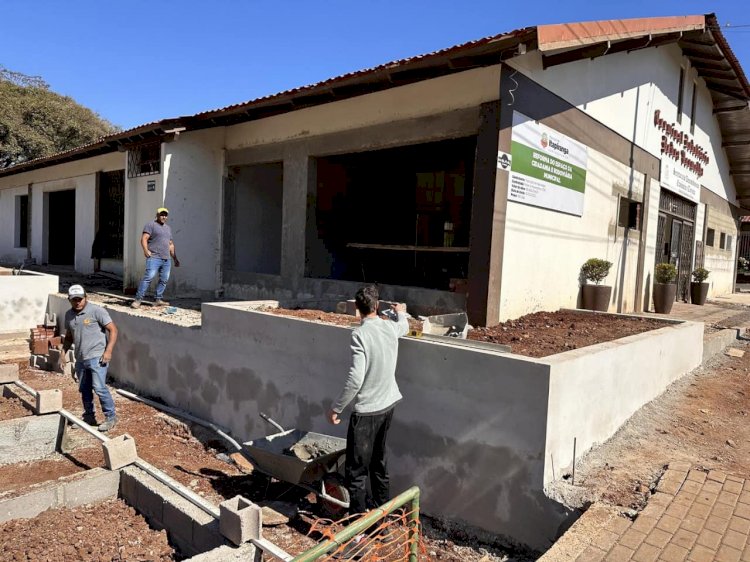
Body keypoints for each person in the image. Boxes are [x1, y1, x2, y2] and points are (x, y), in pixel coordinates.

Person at [327, 285, 408, 515]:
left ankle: (358, 530)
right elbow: (404, 325)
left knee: (356, 472)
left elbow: (355, 379)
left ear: (357, 310)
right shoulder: (390, 327)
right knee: (379, 464)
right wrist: (401, 311)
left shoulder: (359, 335)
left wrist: (337, 407)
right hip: (387, 406)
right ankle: (384, 520)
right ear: (377, 305)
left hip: (366, 414)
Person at [60, 285, 119, 432]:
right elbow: (69, 337)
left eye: (80, 299)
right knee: (84, 389)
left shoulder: (96, 311)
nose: (77, 302)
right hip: (81, 358)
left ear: (85, 297)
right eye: (74, 300)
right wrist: (63, 353)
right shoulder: (69, 315)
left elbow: (113, 329)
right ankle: (89, 416)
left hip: (97, 357)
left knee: (99, 388)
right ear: (69, 300)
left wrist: (108, 351)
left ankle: (110, 417)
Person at [131, 207, 180, 308]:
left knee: (164, 279)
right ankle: (138, 300)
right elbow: (144, 239)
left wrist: (175, 258)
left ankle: (158, 299)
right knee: (148, 278)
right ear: (157, 215)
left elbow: (170, 244)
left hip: (166, 259)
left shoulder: (168, 228)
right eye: (161, 215)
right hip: (154, 257)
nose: (163, 217)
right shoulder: (151, 225)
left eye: (165, 215)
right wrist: (145, 250)